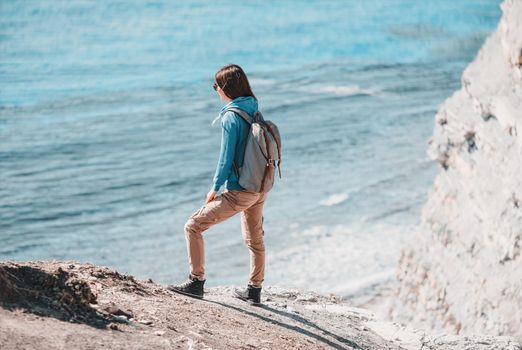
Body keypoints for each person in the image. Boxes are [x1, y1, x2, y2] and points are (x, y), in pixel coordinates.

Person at [167, 64, 268, 305]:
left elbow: (226, 157)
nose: (215, 90)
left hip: (240, 190)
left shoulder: (232, 116)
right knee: (255, 239)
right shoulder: (253, 107)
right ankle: (254, 291)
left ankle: (196, 282)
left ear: (225, 88)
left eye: (216, 86)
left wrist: (215, 187)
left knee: (192, 226)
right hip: (260, 186)